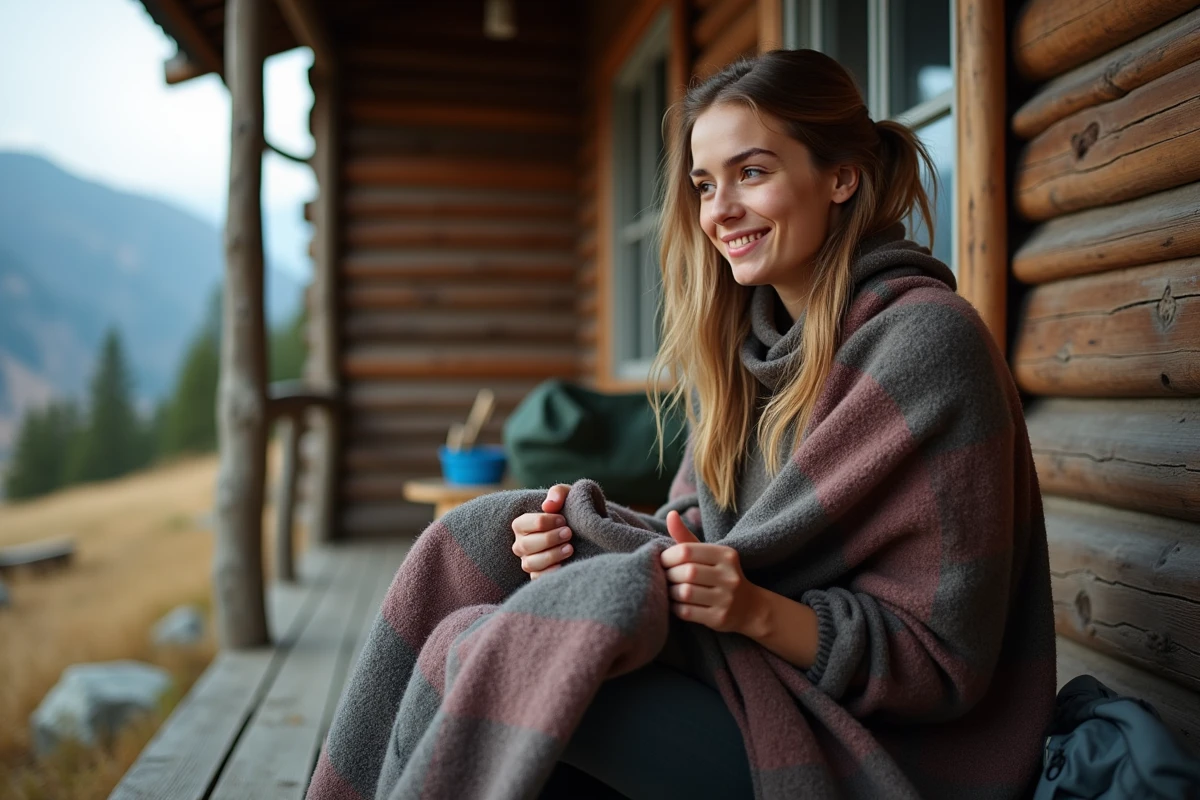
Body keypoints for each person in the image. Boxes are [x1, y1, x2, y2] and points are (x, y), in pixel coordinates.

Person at [508, 49, 1057, 799]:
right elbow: (688, 531)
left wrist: (754, 609)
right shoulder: (742, 358)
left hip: (899, 752)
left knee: (538, 683)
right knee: (492, 632)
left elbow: (941, 666)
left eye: (752, 172)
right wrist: (578, 551)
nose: (719, 211)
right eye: (705, 185)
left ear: (840, 177)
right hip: (753, 684)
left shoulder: (928, 344)